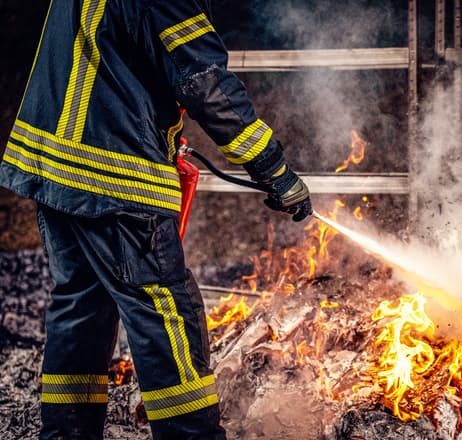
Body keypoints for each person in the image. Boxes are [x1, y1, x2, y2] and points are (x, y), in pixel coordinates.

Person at [0, 1, 312, 438]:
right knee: (167, 313)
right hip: (115, 177)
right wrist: (272, 168)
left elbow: (109, 63)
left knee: (81, 308)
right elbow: (204, 80)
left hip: (53, 168)